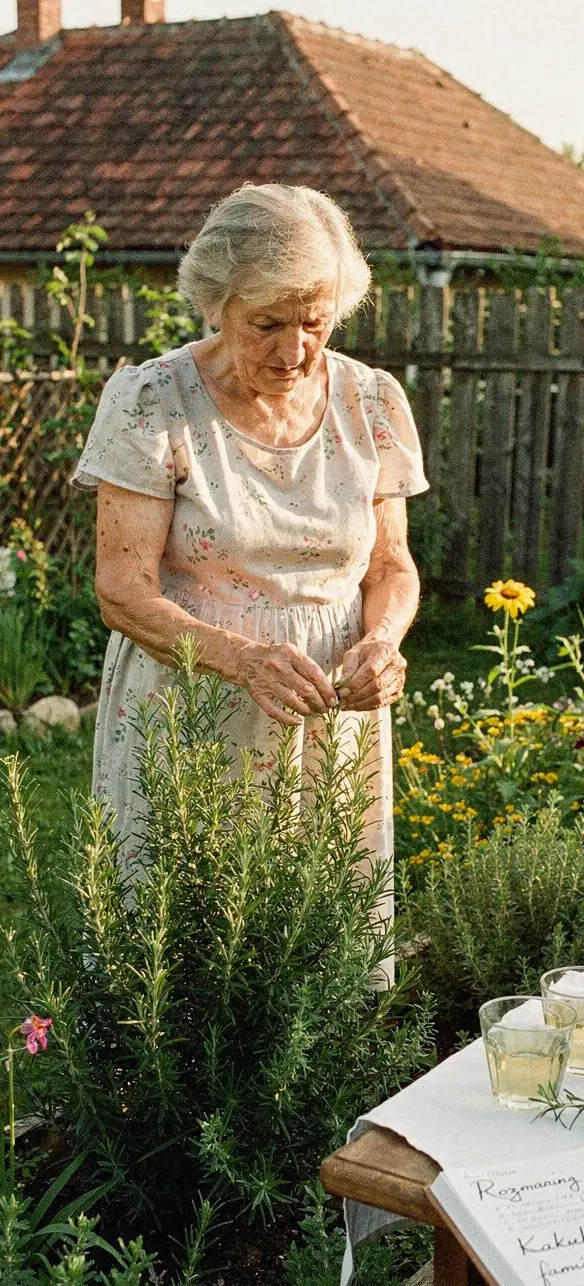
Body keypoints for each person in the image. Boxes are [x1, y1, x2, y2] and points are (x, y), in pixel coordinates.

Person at [73, 183, 429, 985]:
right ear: (215, 302)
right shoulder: (151, 402)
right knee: (177, 960)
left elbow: (390, 565)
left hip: (327, 710)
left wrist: (381, 641)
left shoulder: (371, 401)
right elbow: (121, 589)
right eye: (267, 322)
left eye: (316, 321)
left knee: (316, 967)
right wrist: (244, 659)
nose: (296, 349)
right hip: (194, 703)